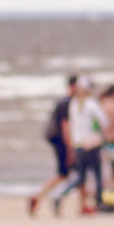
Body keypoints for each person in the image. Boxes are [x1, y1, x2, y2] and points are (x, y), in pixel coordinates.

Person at [28, 77, 81, 217]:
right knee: (65, 174)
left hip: (58, 140)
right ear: (73, 86)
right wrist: (70, 149)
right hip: (61, 141)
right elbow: (65, 126)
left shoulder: (64, 102)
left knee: (73, 173)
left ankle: (83, 205)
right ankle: (38, 196)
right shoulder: (67, 103)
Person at [67, 76, 107, 214]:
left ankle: (64, 196)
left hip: (78, 144)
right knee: (97, 175)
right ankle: (99, 202)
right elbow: (104, 121)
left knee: (81, 177)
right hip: (92, 144)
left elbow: (73, 126)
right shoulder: (91, 104)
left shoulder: (74, 104)